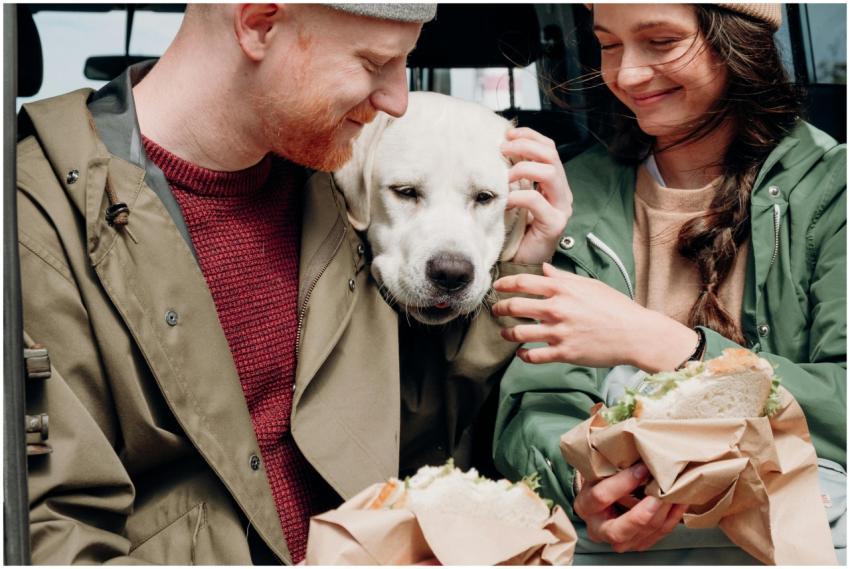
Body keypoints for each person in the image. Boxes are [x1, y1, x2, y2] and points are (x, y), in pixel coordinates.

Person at [17, 3, 571, 564]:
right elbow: (55, 534)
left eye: (405, 64)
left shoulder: (333, 183)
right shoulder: (32, 221)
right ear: (259, 24)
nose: (398, 101)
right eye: (375, 62)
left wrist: (516, 267)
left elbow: (398, 425)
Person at [491, 3, 846, 564]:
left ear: (738, 44)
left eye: (660, 42)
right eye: (609, 45)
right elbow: (534, 403)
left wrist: (670, 347)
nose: (627, 75)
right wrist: (585, 488)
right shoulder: (568, 193)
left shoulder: (835, 192)